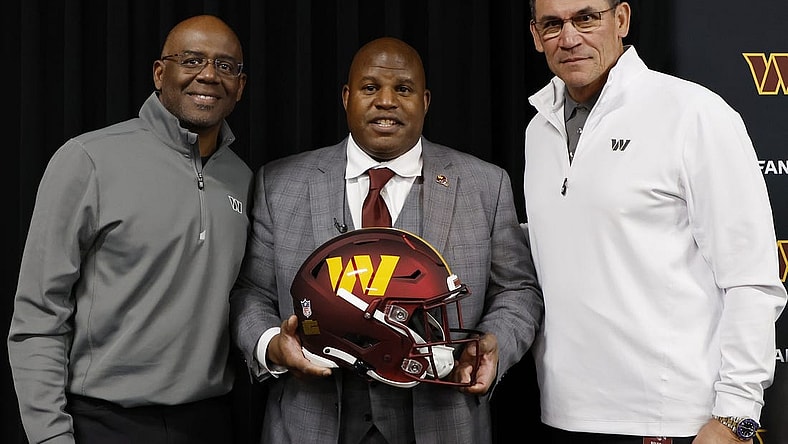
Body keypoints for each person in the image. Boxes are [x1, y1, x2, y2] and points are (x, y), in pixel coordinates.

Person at [230, 36, 543, 444]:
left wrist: (492, 344)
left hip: (442, 424)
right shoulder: (280, 183)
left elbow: (517, 289)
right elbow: (251, 291)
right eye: (370, 87)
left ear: (425, 101)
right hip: (310, 423)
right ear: (346, 97)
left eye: (404, 89)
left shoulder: (485, 184)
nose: (386, 101)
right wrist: (272, 345)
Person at [523, 1, 787, 443]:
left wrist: (736, 419)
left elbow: (751, 280)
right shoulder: (538, 129)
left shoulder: (693, 113)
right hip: (563, 415)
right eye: (553, 24)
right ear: (535, 36)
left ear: (621, 19)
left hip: (676, 422)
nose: (569, 38)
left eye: (586, 18)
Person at [8, 14, 251, 444]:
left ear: (240, 86)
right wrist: (49, 437)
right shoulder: (88, 160)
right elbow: (40, 313)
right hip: (104, 423)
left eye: (226, 65)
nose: (209, 75)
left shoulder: (244, 179)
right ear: (160, 74)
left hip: (211, 422)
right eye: (192, 60)